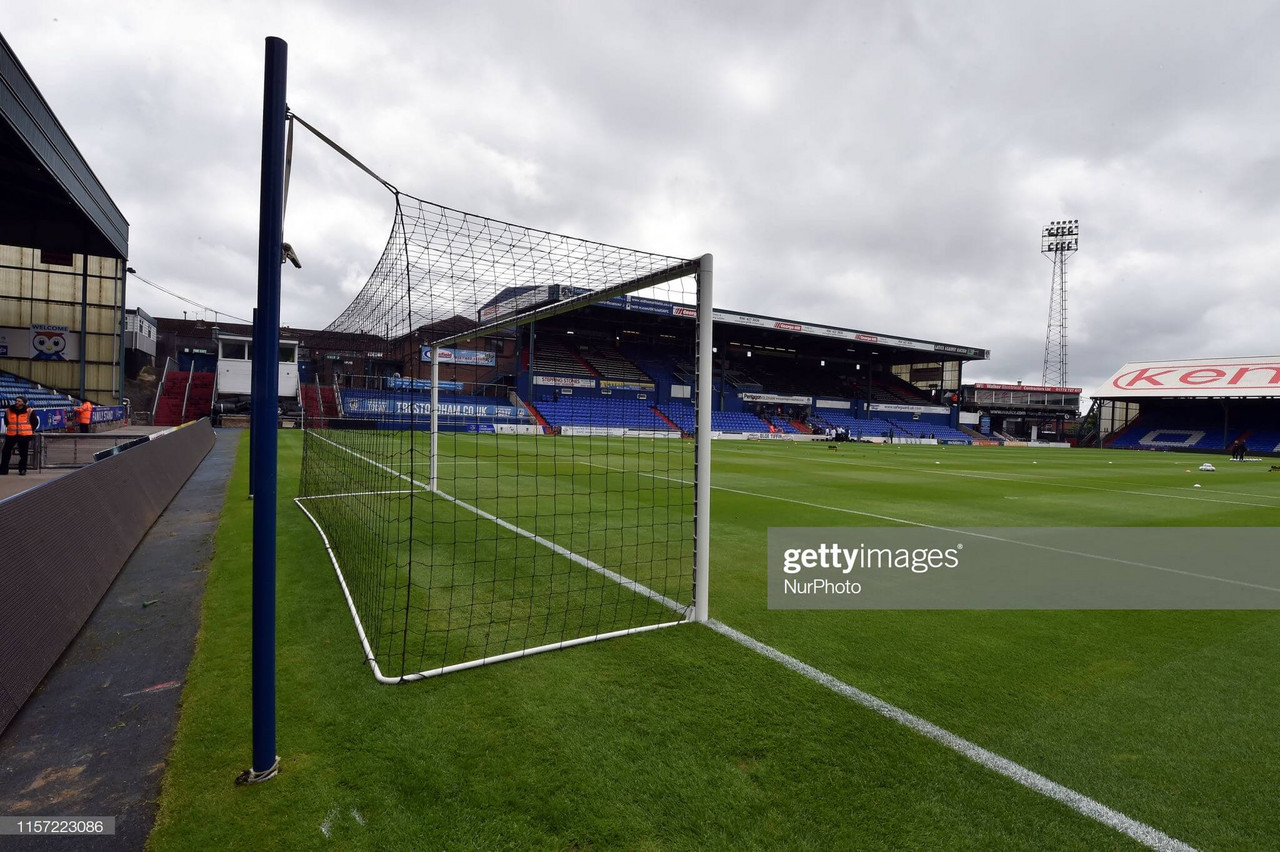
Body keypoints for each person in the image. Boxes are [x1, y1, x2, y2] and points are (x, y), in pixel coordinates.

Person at [2, 396, 38, 476]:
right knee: (5, 452)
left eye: (19, 401)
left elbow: (34, 422)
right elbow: (6, 421)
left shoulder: (29, 411)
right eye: (16, 401)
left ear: (23, 403)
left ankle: (22, 469)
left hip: (24, 436)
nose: (16, 402)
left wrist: (30, 430)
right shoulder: (9, 411)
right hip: (11, 435)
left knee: (23, 454)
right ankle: (4, 469)